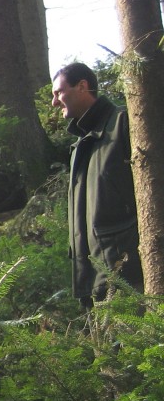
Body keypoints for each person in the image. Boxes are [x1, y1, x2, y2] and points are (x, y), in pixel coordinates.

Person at [51, 62, 142, 308]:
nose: (54, 102)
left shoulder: (124, 123)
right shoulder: (81, 146)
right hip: (93, 278)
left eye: (59, 92)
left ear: (82, 86)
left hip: (127, 273)